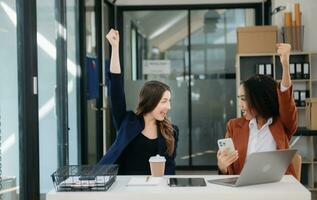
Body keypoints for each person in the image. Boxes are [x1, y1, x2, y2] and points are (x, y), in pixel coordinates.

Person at [98, 29, 179, 175]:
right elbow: (116, 87)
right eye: (164, 101)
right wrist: (115, 48)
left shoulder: (171, 131)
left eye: (169, 101)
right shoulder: (127, 122)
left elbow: (170, 168)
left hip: (155, 190)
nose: (169, 106)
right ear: (151, 101)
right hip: (125, 189)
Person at [217, 43, 298, 177]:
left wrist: (285, 65)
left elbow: (286, 99)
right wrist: (222, 166)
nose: (240, 104)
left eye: (244, 99)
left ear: (258, 99)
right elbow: (229, 172)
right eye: (239, 98)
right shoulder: (233, 126)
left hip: (275, 190)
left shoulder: (281, 124)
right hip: (244, 192)